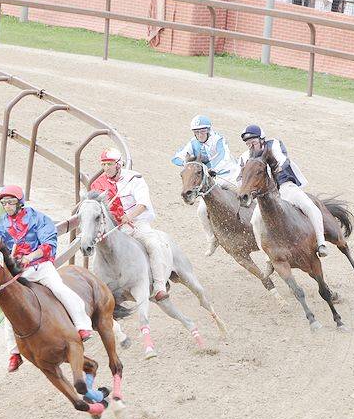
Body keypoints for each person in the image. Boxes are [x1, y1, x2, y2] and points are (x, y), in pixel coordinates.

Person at [0, 185, 93, 373]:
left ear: (20, 202)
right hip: (18, 272)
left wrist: (30, 257)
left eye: (10, 202)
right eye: (4, 203)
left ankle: (82, 326)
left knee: (59, 289)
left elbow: (49, 244)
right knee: (10, 309)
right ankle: (14, 352)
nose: (7, 206)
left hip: (40, 267)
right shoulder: (2, 223)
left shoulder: (38, 219)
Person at [90, 148, 171, 302]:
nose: (106, 168)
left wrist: (130, 216)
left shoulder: (134, 179)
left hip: (137, 223)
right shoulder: (97, 184)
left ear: (119, 165)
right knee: (99, 253)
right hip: (114, 228)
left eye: (110, 164)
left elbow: (143, 204)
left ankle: (159, 286)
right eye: (104, 164)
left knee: (153, 244)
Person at [237, 125, 328, 258]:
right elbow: (240, 178)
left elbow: (283, 160)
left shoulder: (273, 144)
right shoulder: (245, 157)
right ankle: (268, 256)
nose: (251, 146)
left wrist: (278, 168)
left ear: (262, 140)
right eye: (248, 144)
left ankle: (321, 243)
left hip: (285, 187)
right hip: (265, 197)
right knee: (255, 221)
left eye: (253, 142)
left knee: (310, 206)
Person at [172, 115, 241, 256]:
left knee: (243, 194)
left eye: (202, 131)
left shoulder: (218, 139)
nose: (199, 135)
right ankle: (211, 238)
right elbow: (176, 157)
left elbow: (224, 157)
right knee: (201, 211)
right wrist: (189, 163)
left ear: (208, 130)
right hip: (212, 180)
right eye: (196, 132)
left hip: (228, 175)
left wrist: (213, 168)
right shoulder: (193, 143)